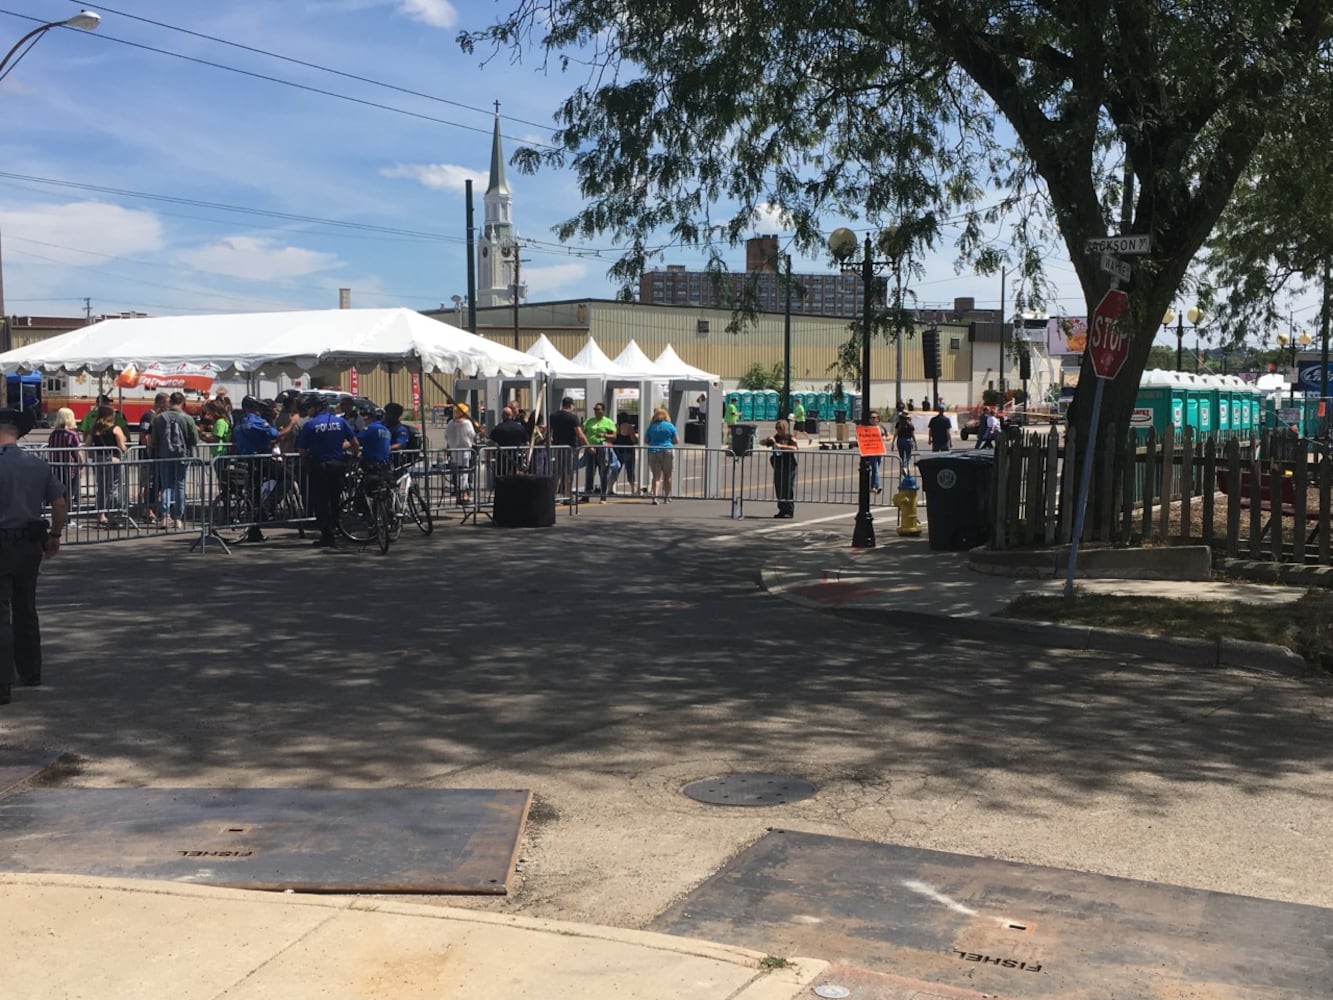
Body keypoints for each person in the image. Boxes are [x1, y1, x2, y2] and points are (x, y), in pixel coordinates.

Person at [0, 407, 67, 704]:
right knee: (26, 607)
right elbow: (60, 504)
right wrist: (55, 535)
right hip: (30, 545)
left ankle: (3, 683)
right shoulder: (37, 464)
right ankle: (31, 671)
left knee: (1, 613)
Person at [297, 394, 359, 548]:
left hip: (320, 466)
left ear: (316, 407)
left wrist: (307, 457)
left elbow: (302, 449)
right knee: (335, 500)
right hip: (338, 465)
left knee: (321, 502)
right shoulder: (340, 421)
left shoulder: (310, 425)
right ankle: (337, 529)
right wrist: (354, 457)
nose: (308, 411)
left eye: (309, 407)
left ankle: (327, 535)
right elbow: (355, 443)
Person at [149, 392, 200, 529]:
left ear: (170, 401)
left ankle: (165, 516)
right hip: (182, 456)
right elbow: (195, 440)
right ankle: (178, 518)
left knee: (166, 486)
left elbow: (154, 440)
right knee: (180, 486)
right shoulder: (187, 418)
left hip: (164, 456)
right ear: (182, 401)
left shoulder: (159, 418)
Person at [88, 405, 127, 528]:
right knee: (113, 488)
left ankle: (101, 514)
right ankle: (113, 515)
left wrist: (92, 455)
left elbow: (87, 444)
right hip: (113, 459)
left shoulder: (95, 429)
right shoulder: (115, 429)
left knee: (101, 488)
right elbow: (122, 447)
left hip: (99, 460)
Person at [549, 397, 589, 500]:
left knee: (556, 472)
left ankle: (552, 496)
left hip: (557, 447)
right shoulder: (573, 417)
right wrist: (588, 446)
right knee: (568, 472)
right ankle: (567, 495)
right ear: (570, 405)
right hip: (570, 448)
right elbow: (580, 434)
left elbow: (549, 432)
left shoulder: (553, 416)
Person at [46, 408, 82, 519]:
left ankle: (58, 517)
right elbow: (76, 452)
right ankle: (67, 518)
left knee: (59, 494)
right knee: (69, 494)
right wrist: (81, 465)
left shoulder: (53, 434)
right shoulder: (72, 434)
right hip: (70, 467)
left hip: (56, 466)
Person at [760, 419, 799, 518]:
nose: (778, 430)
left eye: (780, 428)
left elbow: (795, 448)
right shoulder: (775, 438)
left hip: (788, 465)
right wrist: (768, 440)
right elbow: (762, 443)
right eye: (776, 428)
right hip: (778, 465)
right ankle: (782, 510)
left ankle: (789, 511)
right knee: (779, 488)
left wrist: (781, 446)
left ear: (785, 428)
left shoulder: (790, 437)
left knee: (787, 488)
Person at [582, 402, 617, 502]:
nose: (596, 411)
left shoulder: (608, 422)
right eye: (595, 409)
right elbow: (583, 433)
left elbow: (614, 436)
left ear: (603, 411)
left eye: (598, 409)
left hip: (602, 447)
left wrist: (604, 435)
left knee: (603, 471)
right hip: (590, 448)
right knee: (589, 471)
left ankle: (603, 495)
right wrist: (587, 445)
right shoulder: (589, 421)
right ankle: (587, 494)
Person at [445, 402, 478, 504]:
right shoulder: (467, 423)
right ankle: (463, 495)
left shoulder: (450, 423)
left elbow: (446, 436)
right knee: (464, 473)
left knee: (457, 472)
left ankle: (459, 493)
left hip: (453, 450)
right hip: (465, 450)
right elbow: (472, 435)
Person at [643, 407, 678, 505]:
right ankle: (667, 497)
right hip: (667, 450)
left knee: (656, 476)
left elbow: (646, 440)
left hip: (653, 451)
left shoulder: (651, 426)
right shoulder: (670, 426)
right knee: (667, 475)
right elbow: (676, 440)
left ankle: (655, 497)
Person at [487, 405, 530, 477]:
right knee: (515, 478)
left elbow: (490, 444)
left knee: (502, 477)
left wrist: (488, 460)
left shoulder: (498, 428)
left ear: (502, 416)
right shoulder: (519, 427)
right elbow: (527, 443)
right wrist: (526, 458)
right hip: (516, 458)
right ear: (512, 415)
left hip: (502, 458)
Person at [609, 416, 639, 495]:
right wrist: (637, 439)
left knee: (615, 469)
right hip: (628, 450)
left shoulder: (616, 426)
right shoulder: (629, 427)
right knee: (630, 470)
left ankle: (610, 488)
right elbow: (633, 439)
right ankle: (633, 489)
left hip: (617, 450)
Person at [866, 411, 886, 494]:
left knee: (875, 470)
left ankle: (872, 486)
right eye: (872, 418)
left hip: (879, 451)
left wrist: (885, 438)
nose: (874, 419)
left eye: (875, 417)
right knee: (876, 469)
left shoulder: (880, 427)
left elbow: (888, 436)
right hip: (871, 451)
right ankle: (876, 486)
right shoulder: (867, 428)